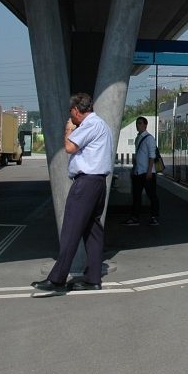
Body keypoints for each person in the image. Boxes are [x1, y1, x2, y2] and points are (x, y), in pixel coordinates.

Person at [32, 93, 114, 292]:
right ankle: (92, 278)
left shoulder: (90, 125)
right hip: (98, 182)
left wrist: (69, 129)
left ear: (77, 109)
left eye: (71, 112)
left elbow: (70, 147)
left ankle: (57, 278)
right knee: (93, 231)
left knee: (71, 230)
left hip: (85, 183)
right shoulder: (103, 125)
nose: (71, 116)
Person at [123, 116, 159, 226]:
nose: (137, 126)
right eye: (137, 124)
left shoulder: (149, 139)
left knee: (151, 195)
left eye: (140, 123)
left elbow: (152, 155)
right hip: (138, 172)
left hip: (147, 172)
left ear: (145, 125)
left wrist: (149, 171)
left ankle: (154, 216)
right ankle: (135, 217)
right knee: (136, 195)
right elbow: (137, 155)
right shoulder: (138, 138)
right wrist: (133, 169)